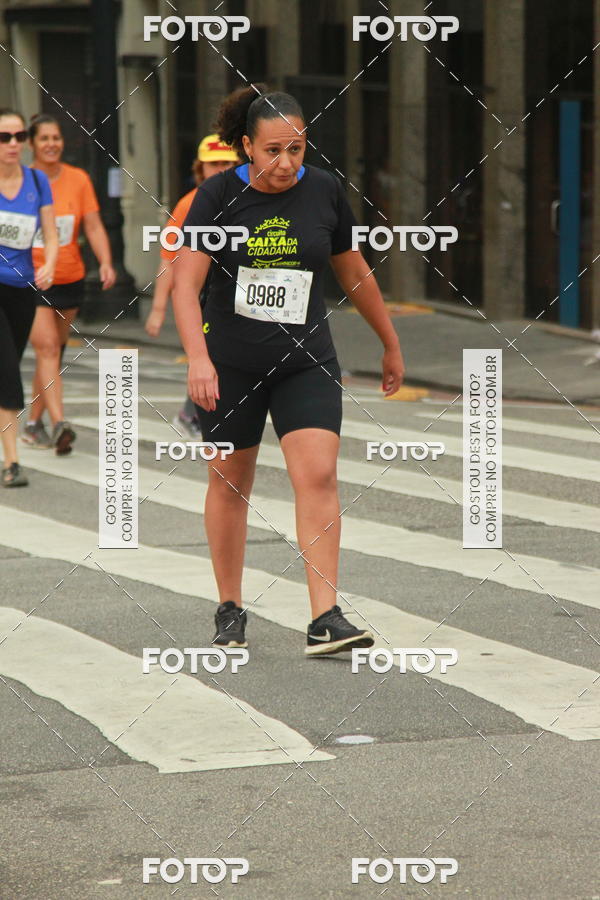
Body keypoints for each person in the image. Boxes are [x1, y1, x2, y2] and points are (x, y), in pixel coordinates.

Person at [172, 85, 405, 657]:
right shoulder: (215, 197)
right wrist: (197, 360)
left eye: (296, 149)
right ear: (247, 146)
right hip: (230, 363)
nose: (286, 163)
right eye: (273, 150)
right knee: (230, 483)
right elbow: (185, 284)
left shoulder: (324, 191)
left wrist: (389, 342)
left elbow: (354, 274)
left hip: (306, 361)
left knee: (319, 476)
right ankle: (230, 608)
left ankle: (325, 616)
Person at [21, 114, 115, 453]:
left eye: (56, 137)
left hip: (69, 277)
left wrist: (105, 261)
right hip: (30, 278)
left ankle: (33, 424)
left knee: (53, 354)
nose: (51, 144)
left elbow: (92, 226)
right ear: (31, 143)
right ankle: (60, 422)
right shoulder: (20, 181)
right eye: (43, 138)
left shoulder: (78, 179)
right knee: (46, 347)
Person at [145, 134, 239, 437]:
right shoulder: (190, 204)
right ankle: (190, 413)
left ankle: (202, 412)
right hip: (200, 293)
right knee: (207, 352)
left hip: (233, 293)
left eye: (227, 163)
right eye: (213, 165)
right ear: (200, 170)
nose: (221, 169)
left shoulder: (244, 198)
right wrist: (158, 309)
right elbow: (168, 259)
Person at [0, 108, 58, 487]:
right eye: (4, 138)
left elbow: (51, 234)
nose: (13, 144)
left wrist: (49, 263)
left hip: (22, 289)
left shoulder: (37, 181)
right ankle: (12, 463)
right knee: (7, 372)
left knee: (8, 365)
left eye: (19, 137)